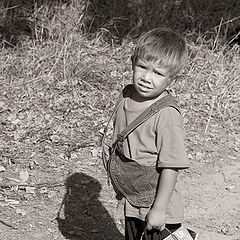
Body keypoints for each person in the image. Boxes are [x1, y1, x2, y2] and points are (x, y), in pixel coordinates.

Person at [103, 28, 190, 240]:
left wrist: (160, 209)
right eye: (142, 67)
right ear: (132, 62)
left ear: (172, 78)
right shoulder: (126, 96)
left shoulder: (166, 115)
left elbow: (171, 165)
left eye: (158, 73)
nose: (146, 78)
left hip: (158, 206)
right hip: (133, 202)